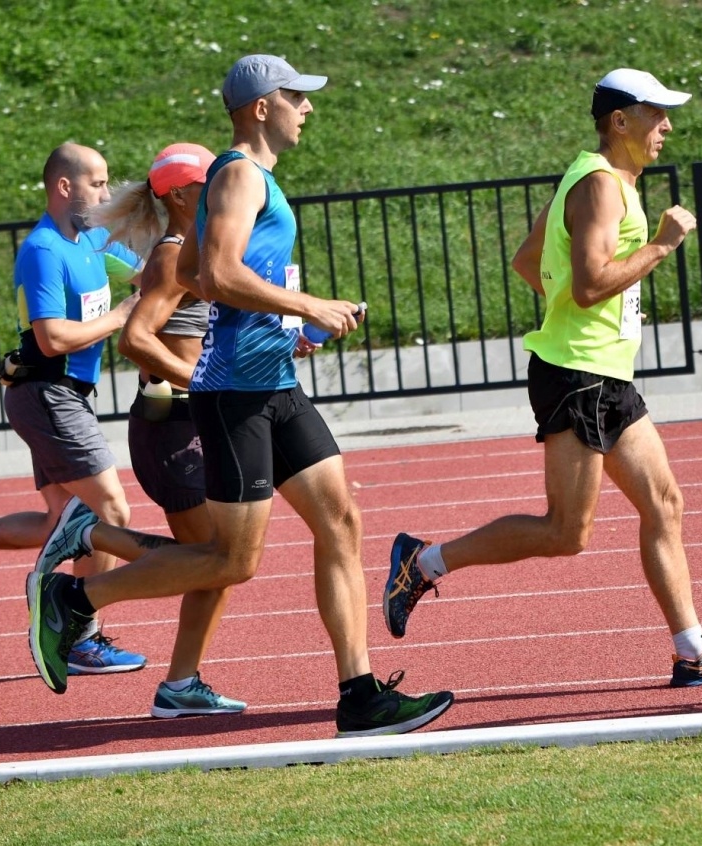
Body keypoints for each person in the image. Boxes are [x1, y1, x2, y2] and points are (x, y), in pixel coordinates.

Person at [26, 55, 453, 738]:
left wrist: (280, 324)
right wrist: (302, 300)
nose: (306, 108)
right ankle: (75, 595)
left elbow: (195, 272)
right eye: (295, 97)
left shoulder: (250, 180)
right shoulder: (239, 175)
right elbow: (219, 272)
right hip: (233, 396)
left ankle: (360, 695)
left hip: (272, 383)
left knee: (341, 522)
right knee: (232, 560)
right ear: (261, 107)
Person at [381, 69, 702, 688]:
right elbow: (590, 284)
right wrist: (662, 246)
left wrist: (569, 307)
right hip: (577, 376)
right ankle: (422, 563)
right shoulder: (598, 186)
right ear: (620, 121)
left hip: (604, 373)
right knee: (566, 533)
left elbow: (529, 261)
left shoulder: (602, 178)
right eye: (655, 114)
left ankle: (692, 650)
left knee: (665, 503)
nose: (667, 126)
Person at [0, 142, 151, 677]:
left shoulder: (94, 240)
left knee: (59, 522)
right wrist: (122, 315)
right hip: (46, 393)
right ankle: (82, 635)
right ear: (65, 187)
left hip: (63, 395)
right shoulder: (43, 250)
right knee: (110, 510)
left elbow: (150, 274)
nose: (107, 193)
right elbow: (53, 336)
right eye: (99, 183)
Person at [79, 141, 245, 718]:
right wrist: (204, 381)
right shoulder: (174, 253)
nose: (222, 190)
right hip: (174, 427)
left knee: (214, 561)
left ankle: (89, 540)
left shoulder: (187, 252)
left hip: (181, 425)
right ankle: (83, 579)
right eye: (209, 181)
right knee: (217, 560)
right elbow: (136, 339)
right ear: (179, 194)